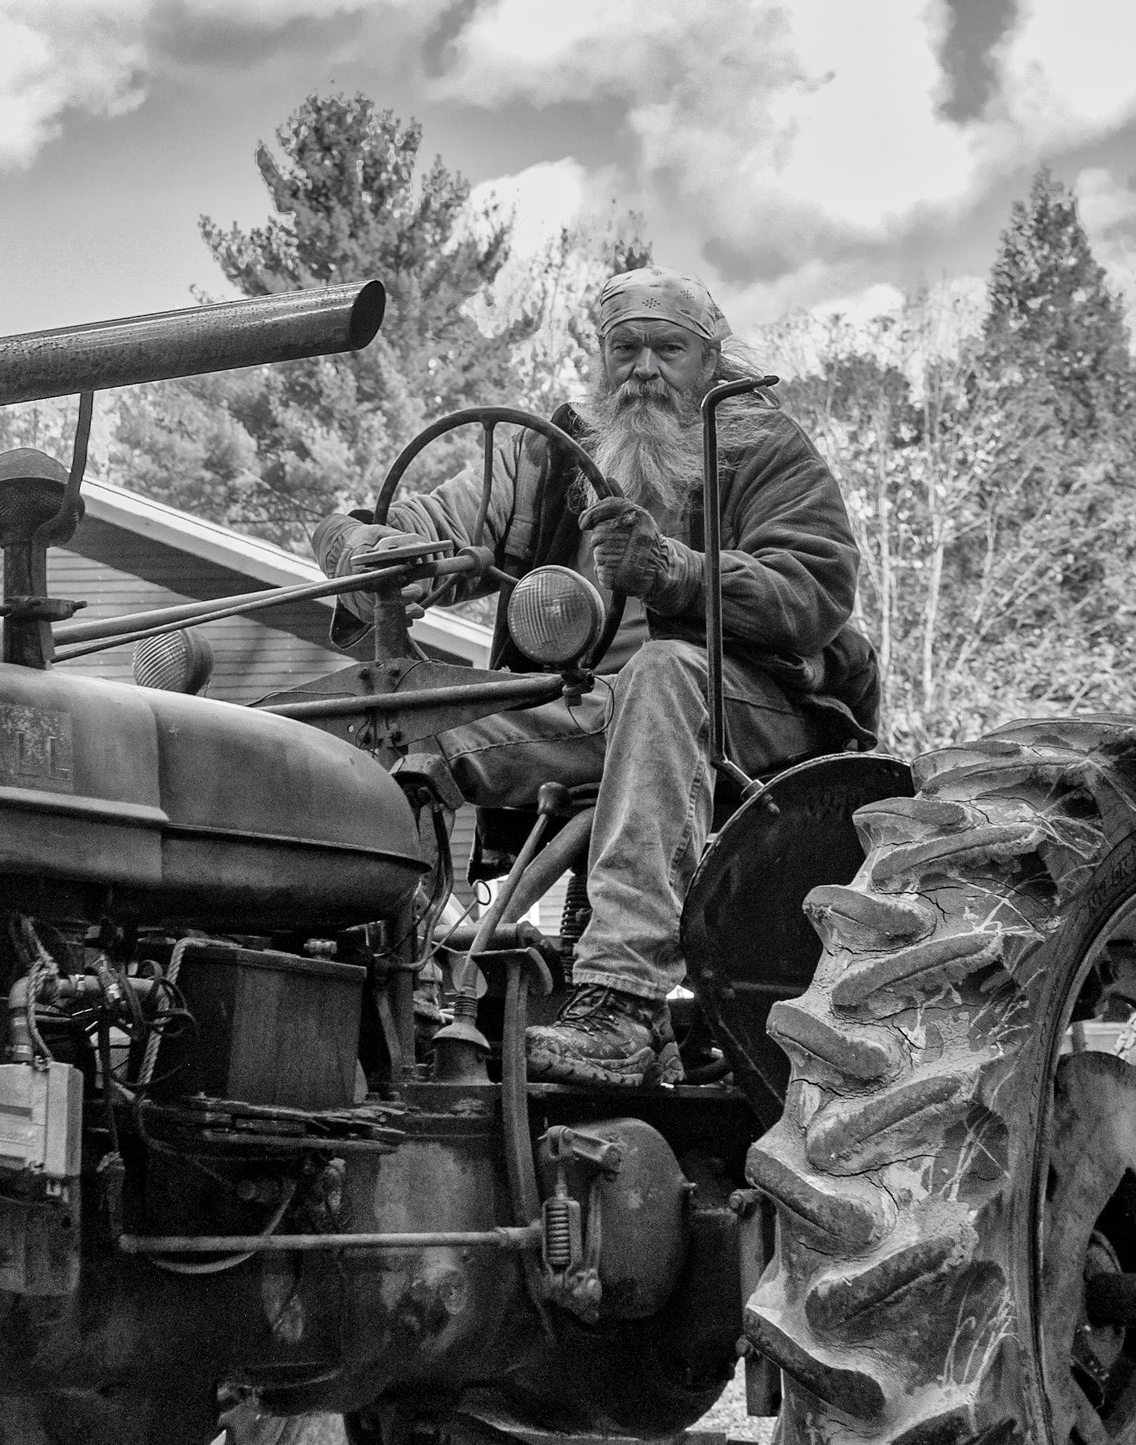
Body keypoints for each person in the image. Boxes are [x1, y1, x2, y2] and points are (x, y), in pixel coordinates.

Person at [313, 267, 878, 1088]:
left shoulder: (760, 443)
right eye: (626, 347)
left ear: (710, 361)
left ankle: (624, 1005)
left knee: (660, 669)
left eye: (668, 348)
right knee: (396, 713)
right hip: (591, 707)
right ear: (599, 358)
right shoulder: (555, 452)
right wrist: (374, 543)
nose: (644, 367)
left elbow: (815, 586)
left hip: (753, 708)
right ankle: (383, 974)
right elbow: (449, 522)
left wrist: (674, 570)